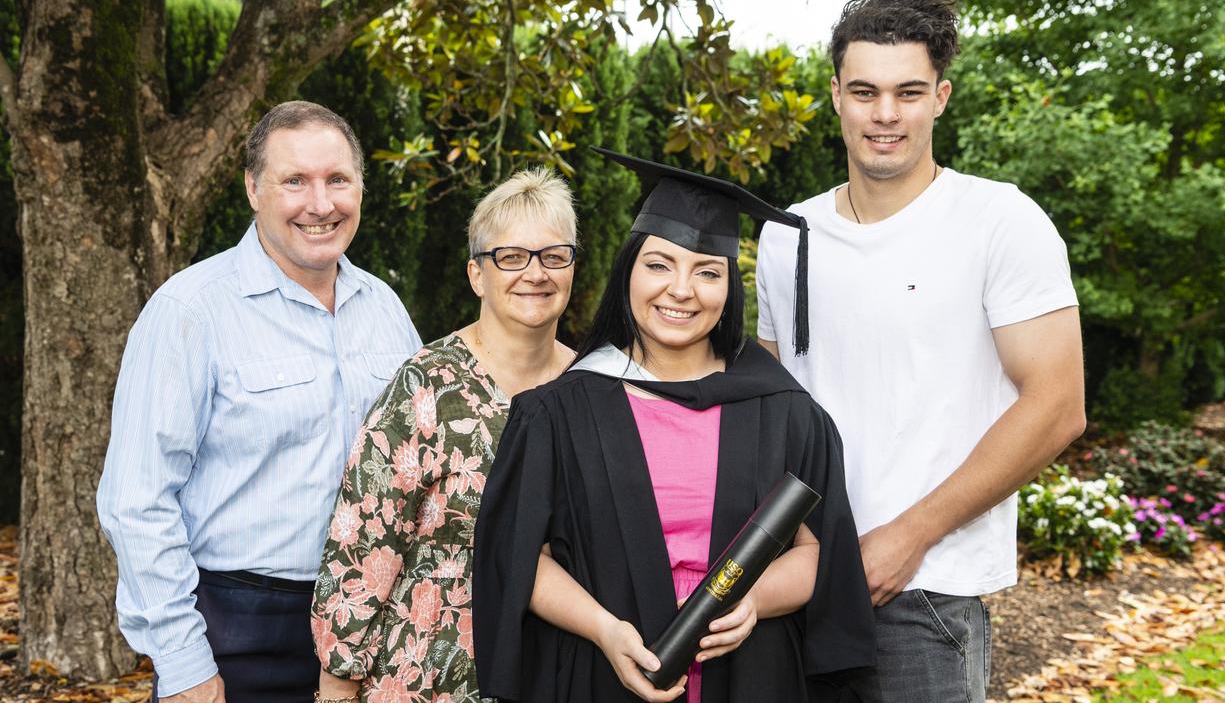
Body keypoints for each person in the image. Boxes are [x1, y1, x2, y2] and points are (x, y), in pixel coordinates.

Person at [755, 0, 1087, 703]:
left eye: (908, 92)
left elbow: (1058, 406)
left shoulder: (999, 221)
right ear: (836, 96)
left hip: (924, 593)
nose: (885, 115)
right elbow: (771, 406)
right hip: (799, 582)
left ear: (941, 96)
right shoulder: (786, 235)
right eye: (865, 91)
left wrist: (910, 535)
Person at [473, 148, 877, 703]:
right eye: (659, 265)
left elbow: (818, 553)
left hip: (752, 678)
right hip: (601, 676)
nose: (681, 290)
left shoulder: (786, 412)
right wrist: (603, 629)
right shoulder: (557, 412)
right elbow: (522, 560)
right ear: (628, 272)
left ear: (730, 286)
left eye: (707, 272)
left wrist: (756, 599)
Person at [97, 101, 422, 703]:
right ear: (253, 188)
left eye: (337, 180)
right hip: (235, 634)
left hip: (372, 633)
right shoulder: (190, 311)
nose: (320, 204)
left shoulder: (385, 311)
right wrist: (184, 663)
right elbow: (136, 501)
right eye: (294, 180)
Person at [310, 168, 578, 702]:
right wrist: (337, 685)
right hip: (427, 671)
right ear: (477, 274)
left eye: (554, 256)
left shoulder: (593, 390)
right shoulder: (426, 385)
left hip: (558, 669)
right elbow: (365, 542)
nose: (536, 273)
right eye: (511, 256)